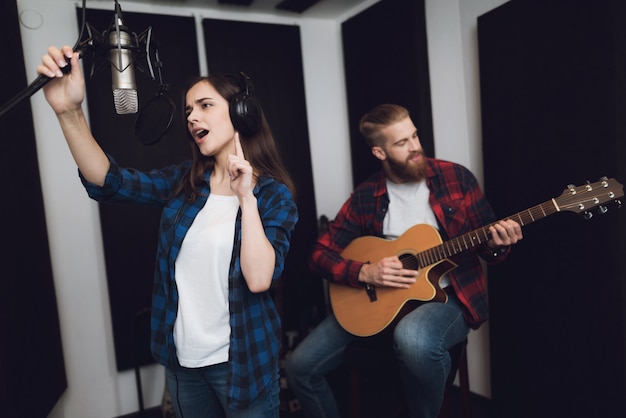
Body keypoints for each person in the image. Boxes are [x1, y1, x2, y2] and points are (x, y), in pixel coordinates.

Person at [38, 45, 298, 418]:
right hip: (181, 363)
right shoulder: (184, 181)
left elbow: (259, 280)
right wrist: (69, 112)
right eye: (189, 110)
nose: (192, 118)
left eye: (205, 105)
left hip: (241, 364)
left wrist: (246, 198)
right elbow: (110, 182)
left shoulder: (273, 196)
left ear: (242, 113)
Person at [285, 103, 522, 418]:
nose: (415, 148)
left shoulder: (456, 179)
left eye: (414, 136)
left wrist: (496, 244)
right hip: (378, 302)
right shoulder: (366, 197)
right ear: (379, 152)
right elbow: (318, 256)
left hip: (448, 297)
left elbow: (489, 249)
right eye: (401, 143)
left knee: (412, 338)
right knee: (299, 366)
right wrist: (366, 272)